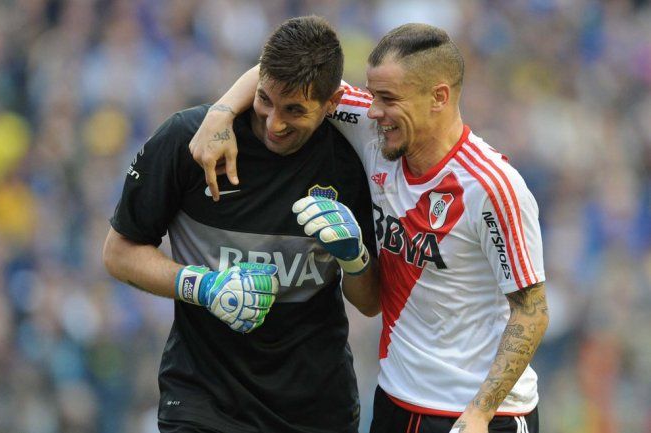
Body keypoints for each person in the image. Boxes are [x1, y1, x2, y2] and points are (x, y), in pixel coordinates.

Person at [189, 23, 549, 433]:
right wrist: (218, 115)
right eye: (373, 95)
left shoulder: (492, 188)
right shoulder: (375, 130)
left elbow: (531, 311)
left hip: (480, 414)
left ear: (439, 97)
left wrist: (480, 413)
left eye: (388, 99)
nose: (373, 110)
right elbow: (276, 74)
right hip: (396, 399)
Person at [102, 16, 380, 433]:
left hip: (315, 407)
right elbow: (118, 253)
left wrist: (355, 258)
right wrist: (204, 286)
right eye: (265, 100)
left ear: (331, 103)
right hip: (204, 400)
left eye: (294, 111)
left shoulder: (352, 160)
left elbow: (370, 300)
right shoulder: (191, 141)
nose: (274, 123)